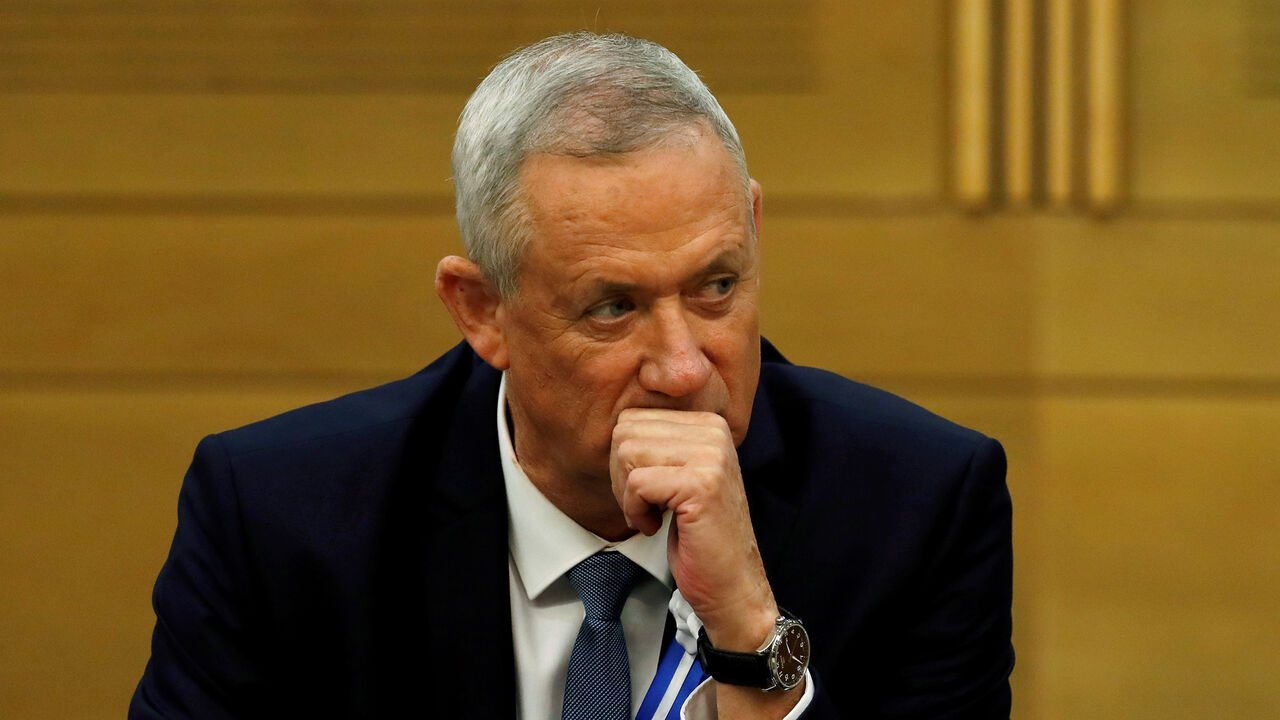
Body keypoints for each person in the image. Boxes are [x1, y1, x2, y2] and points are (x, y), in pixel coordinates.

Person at [130, 32, 1013, 720]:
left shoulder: (918, 505)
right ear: (481, 311)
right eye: (612, 308)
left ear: (752, 229)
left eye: (717, 287)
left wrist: (749, 632)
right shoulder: (283, 516)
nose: (681, 367)